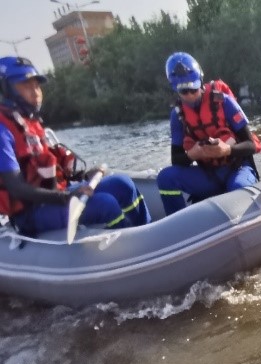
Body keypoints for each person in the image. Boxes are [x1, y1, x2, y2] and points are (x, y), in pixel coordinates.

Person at [0, 56, 150, 236]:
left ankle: (146, 231)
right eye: (25, 86)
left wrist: (82, 177)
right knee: (105, 204)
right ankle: (132, 248)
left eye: (36, 85)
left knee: (122, 183)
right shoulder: (3, 131)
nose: (35, 92)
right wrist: (67, 197)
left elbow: (49, 170)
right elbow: (17, 188)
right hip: (30, 213)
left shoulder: (29, 124)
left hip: (55, 196)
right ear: (5, 89)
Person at [157, 52, 261, 216]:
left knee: (237, 190)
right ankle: (179, 227)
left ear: (200, 81)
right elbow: (176, 159)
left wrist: (226, 150)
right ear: (175, 89)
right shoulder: (177, 115)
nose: (191, 95)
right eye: (184, 92)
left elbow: (250, 145)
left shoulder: (224, 101)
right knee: (165, 177)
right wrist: (194, 153)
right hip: (209, 175)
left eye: (194, 88)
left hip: (237, 168)